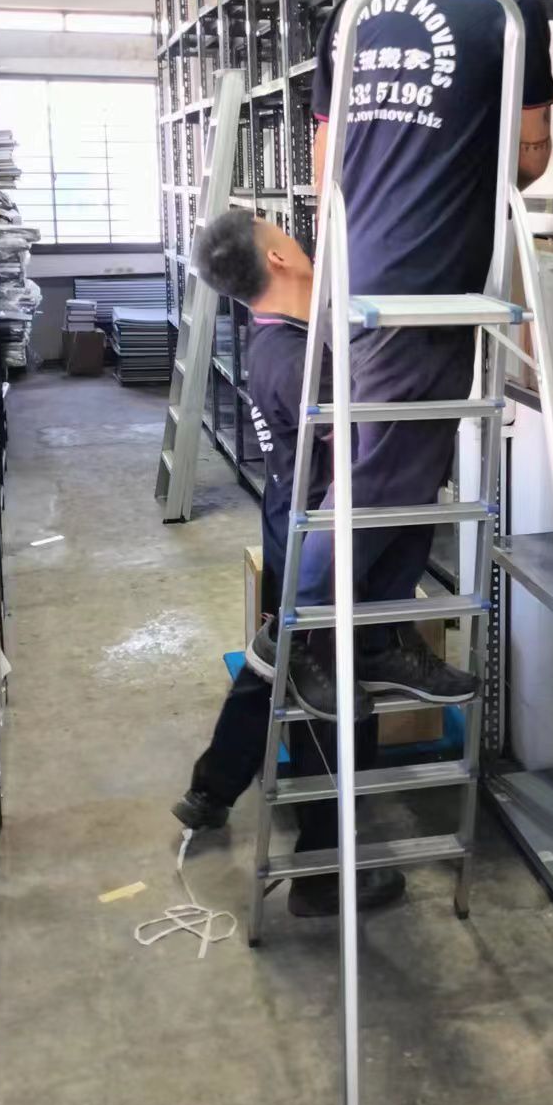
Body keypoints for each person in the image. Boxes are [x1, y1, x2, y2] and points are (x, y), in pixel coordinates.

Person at [288, 0, 553, 719]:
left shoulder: (351, 10)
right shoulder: (504, 2)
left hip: (354, 269)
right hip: (433, 274)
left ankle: (379, 638)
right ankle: (296, 631)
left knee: (407, 458)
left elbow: (324, 164)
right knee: (390, 474)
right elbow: (529, 156)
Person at [171, 211, 404, 918]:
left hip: (289, 525)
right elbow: (362, 457)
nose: (300, 238)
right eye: (284, 231)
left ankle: (211, 788)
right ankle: (323, 873)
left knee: (279, 661)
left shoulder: (275, 341)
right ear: (276, 258)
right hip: (321, 540)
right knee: (339, 698)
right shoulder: (305, 359)